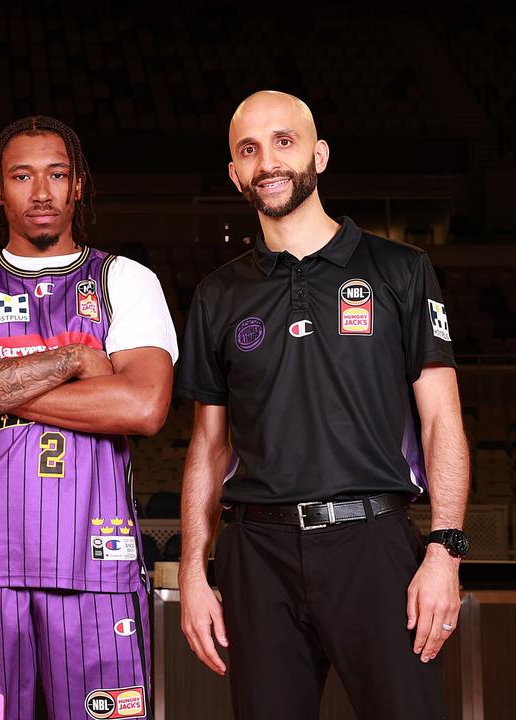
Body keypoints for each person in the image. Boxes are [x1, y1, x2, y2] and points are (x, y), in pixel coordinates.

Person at [176, 90, 468, 720]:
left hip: (375, 544)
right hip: (257, 553)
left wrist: (444, 551)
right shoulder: (218, 295)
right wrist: (194, 574)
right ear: (234, 173)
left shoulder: (400, 270)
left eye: (284, 141)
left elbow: (443, 420)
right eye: (249, 149)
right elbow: (207, 444)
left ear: (320, 154)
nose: (268, 161)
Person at [0, 115, 177, 720]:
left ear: (78, 184)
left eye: (57, 175)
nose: (41, 192)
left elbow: (141, 405)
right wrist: (77, 361)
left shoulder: (126, 281)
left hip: (98, 564)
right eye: (23, 176)